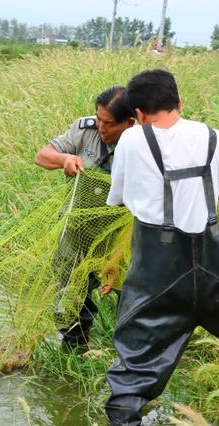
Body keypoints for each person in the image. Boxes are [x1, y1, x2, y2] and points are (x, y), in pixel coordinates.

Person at [102, 69, 219, 425]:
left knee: (130, 379)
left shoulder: (131, 143)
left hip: (156, 279)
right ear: (179, 103)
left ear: (136, 115)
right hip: (216, 274)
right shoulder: (214, 137)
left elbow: (120, 200)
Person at [34, 86, 135, 349]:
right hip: (78, 228)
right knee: (70, 287)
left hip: (119, 234)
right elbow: (42, 156)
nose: (101, 127)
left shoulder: (141, 145)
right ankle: (75, 348)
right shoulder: (85, 129)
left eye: (109, 124)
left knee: (129, 291)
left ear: (130, 123)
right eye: (98, 119)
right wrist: (64, 158)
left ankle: (129, 352)